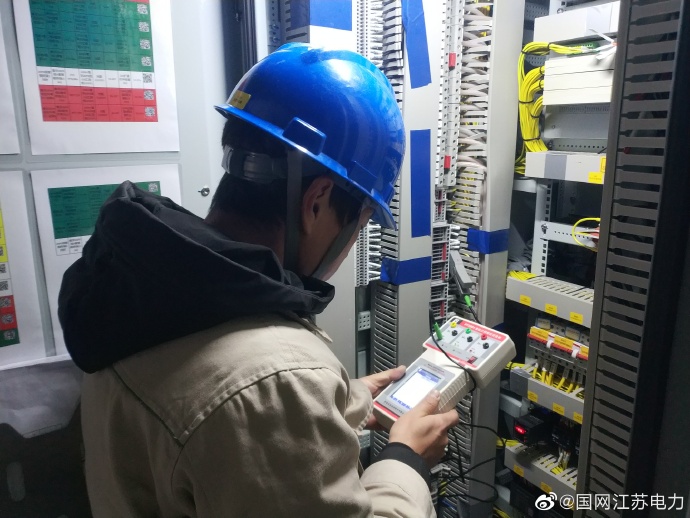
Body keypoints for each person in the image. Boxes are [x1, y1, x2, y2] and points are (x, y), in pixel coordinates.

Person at [59, 43, 459, 517]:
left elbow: (214, 413)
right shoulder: (277, 376)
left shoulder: (130, 282)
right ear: (316, 202)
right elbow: (254, 394)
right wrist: (406, 459)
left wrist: (342, 399)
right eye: (361, 222)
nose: (353, 241)